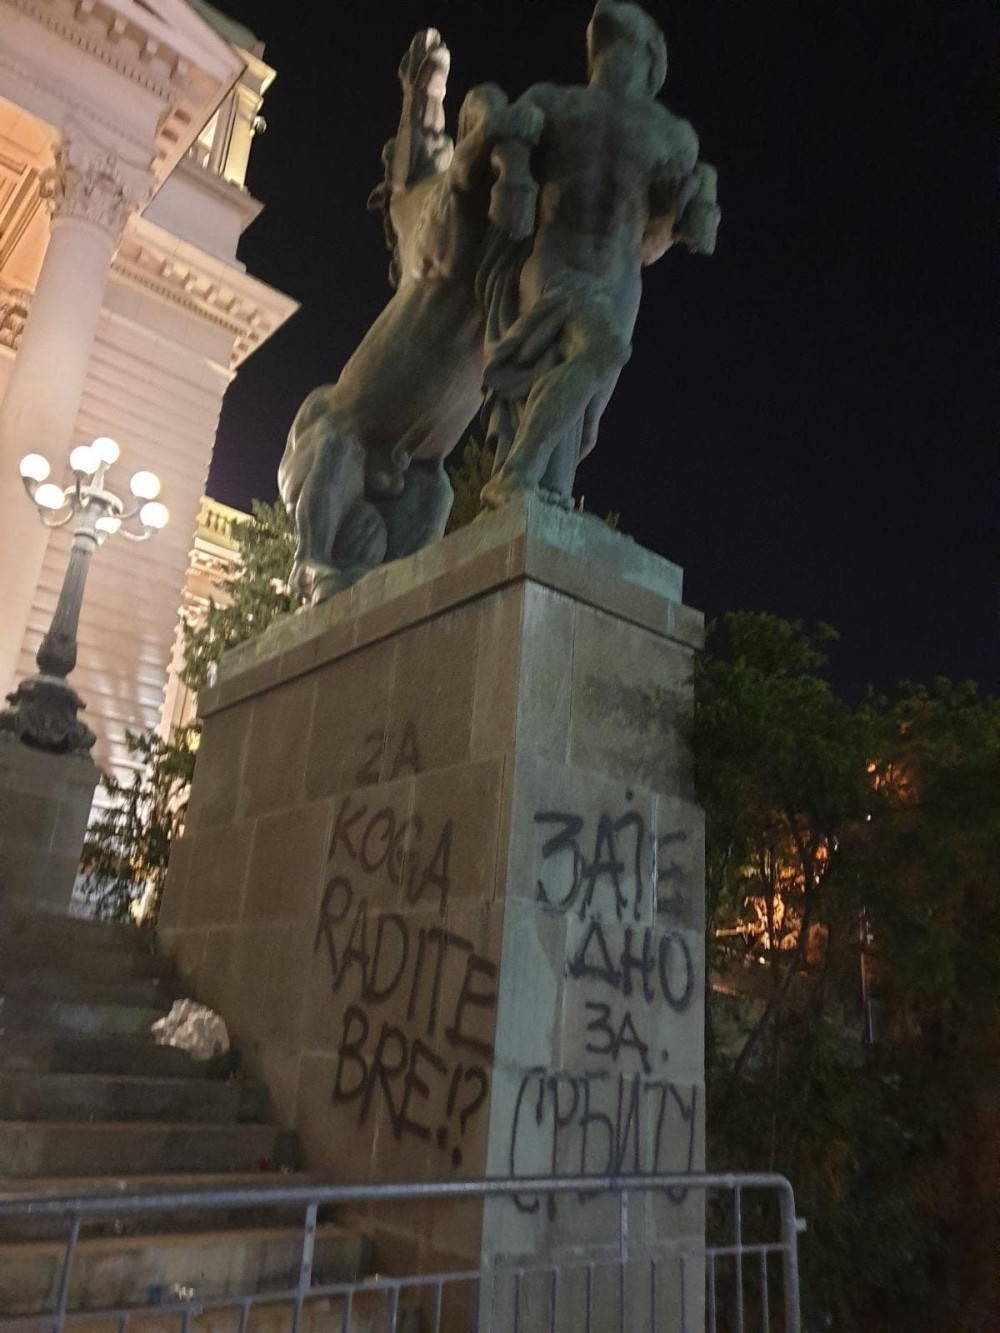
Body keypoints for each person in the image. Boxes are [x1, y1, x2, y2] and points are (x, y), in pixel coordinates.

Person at [479, 0, 720, 511]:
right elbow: (509, 198)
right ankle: (514, 477)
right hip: (555, 263)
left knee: (579, 413)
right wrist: (511, 160)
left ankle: (540, 502)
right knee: (602, 351)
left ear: (654, 53)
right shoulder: (552, 102)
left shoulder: (674, 136)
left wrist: (687, 208)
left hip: (620, 282)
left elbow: (656, 243)